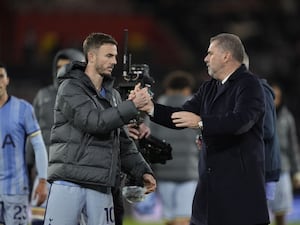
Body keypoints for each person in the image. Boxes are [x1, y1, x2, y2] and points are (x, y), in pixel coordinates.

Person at [131, 33, 270, 225]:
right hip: (209, 190)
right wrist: (150, 107)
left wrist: (202, 123)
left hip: (239, 191)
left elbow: (242, 121)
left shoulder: (249, 84)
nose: (205, 58)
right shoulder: (209, 87)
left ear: (226, 56)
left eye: (210, 53)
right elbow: (181, 115)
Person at [43, 32, 156, 225]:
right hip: (70, 181)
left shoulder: (112, 95)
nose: (114, 61)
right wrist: (132, 106)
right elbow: (93, 122)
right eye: (109, 55)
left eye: (116, 56)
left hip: (101, 185)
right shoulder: (70, 87)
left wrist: (142, 170)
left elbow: (123, 141)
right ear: (92, 56)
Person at [26, 48, 85, 224]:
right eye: (59, 67)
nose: (62, 71)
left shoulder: (88, 95)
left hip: (76, 173)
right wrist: (28, 163)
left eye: (67, 66)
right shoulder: (43, 96)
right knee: (38, 220)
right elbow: (33, 133)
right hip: (45, 172)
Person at [148, 70, 199, 225]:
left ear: (168, 88)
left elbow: (148, 137)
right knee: (183, 217)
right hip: (189, 171)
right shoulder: (195, 108)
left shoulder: (156, 108)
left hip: (164, 171)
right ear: (187, 88)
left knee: (169, 218)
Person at [0, 63, 48, 225]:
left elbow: (39, 145)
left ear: (7, 80)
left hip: (16, 190)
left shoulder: (23, 109)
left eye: (1, 76)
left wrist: (42, 180)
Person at [243, 53, 281, 201]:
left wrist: (232, 132)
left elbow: (267, 130)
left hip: (262, 167)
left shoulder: (259, 90)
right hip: (253, 165)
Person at [268, 83, 300, 225]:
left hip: (283, 170)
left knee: (281, 212)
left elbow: (293, 147)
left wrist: (297, 171)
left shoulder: (287, 118)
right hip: (264, 171)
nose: (275, 100)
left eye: (277, 97)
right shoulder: (258, 116)